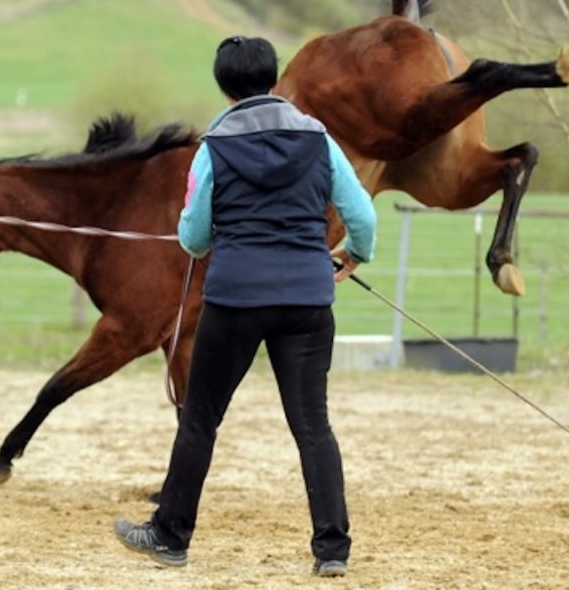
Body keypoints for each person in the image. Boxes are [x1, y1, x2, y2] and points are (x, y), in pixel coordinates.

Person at [113, 35, 376, 578]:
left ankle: (169, 535)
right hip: (307, 299)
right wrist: (354, 256)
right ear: (274, 77)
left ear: (224, 85)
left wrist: (203, 242)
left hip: (235, 300)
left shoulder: (214, 146)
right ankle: (332, 549)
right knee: (313, 426)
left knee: (201, 420)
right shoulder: (319, 139)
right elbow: (362, 217)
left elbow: (193, 233)